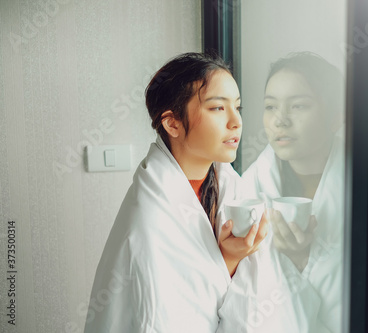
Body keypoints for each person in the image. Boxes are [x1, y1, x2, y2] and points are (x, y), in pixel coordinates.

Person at [83, 52, 268, 333]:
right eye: (218, 108)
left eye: (237, 107)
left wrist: (232, 257)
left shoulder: (230, 186)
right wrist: (229, 259)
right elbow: (163, 319)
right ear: (172, 123)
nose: (236, 122)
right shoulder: (149, 220)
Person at [241, 52, 345, 332]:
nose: (280, 121)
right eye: (270, 106)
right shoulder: (248, 191)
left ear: (336, 117)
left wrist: (302, 259)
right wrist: (293, 262)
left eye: (298, 106)